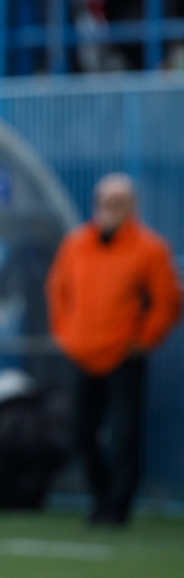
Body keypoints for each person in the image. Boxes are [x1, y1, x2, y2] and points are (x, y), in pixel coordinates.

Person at [46, 174, 180, 527]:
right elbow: (58, 292)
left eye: (118, 203)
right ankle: (99, 497)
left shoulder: (150, 248)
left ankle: (119, 508)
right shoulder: (76, 245)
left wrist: (144, 339)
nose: (110, 210)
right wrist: (65, 334)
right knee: (81, 430)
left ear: (132, 207)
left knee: (125, 435)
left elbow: (166, 301)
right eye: (105, 202)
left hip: (124, 356)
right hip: (82, 353)